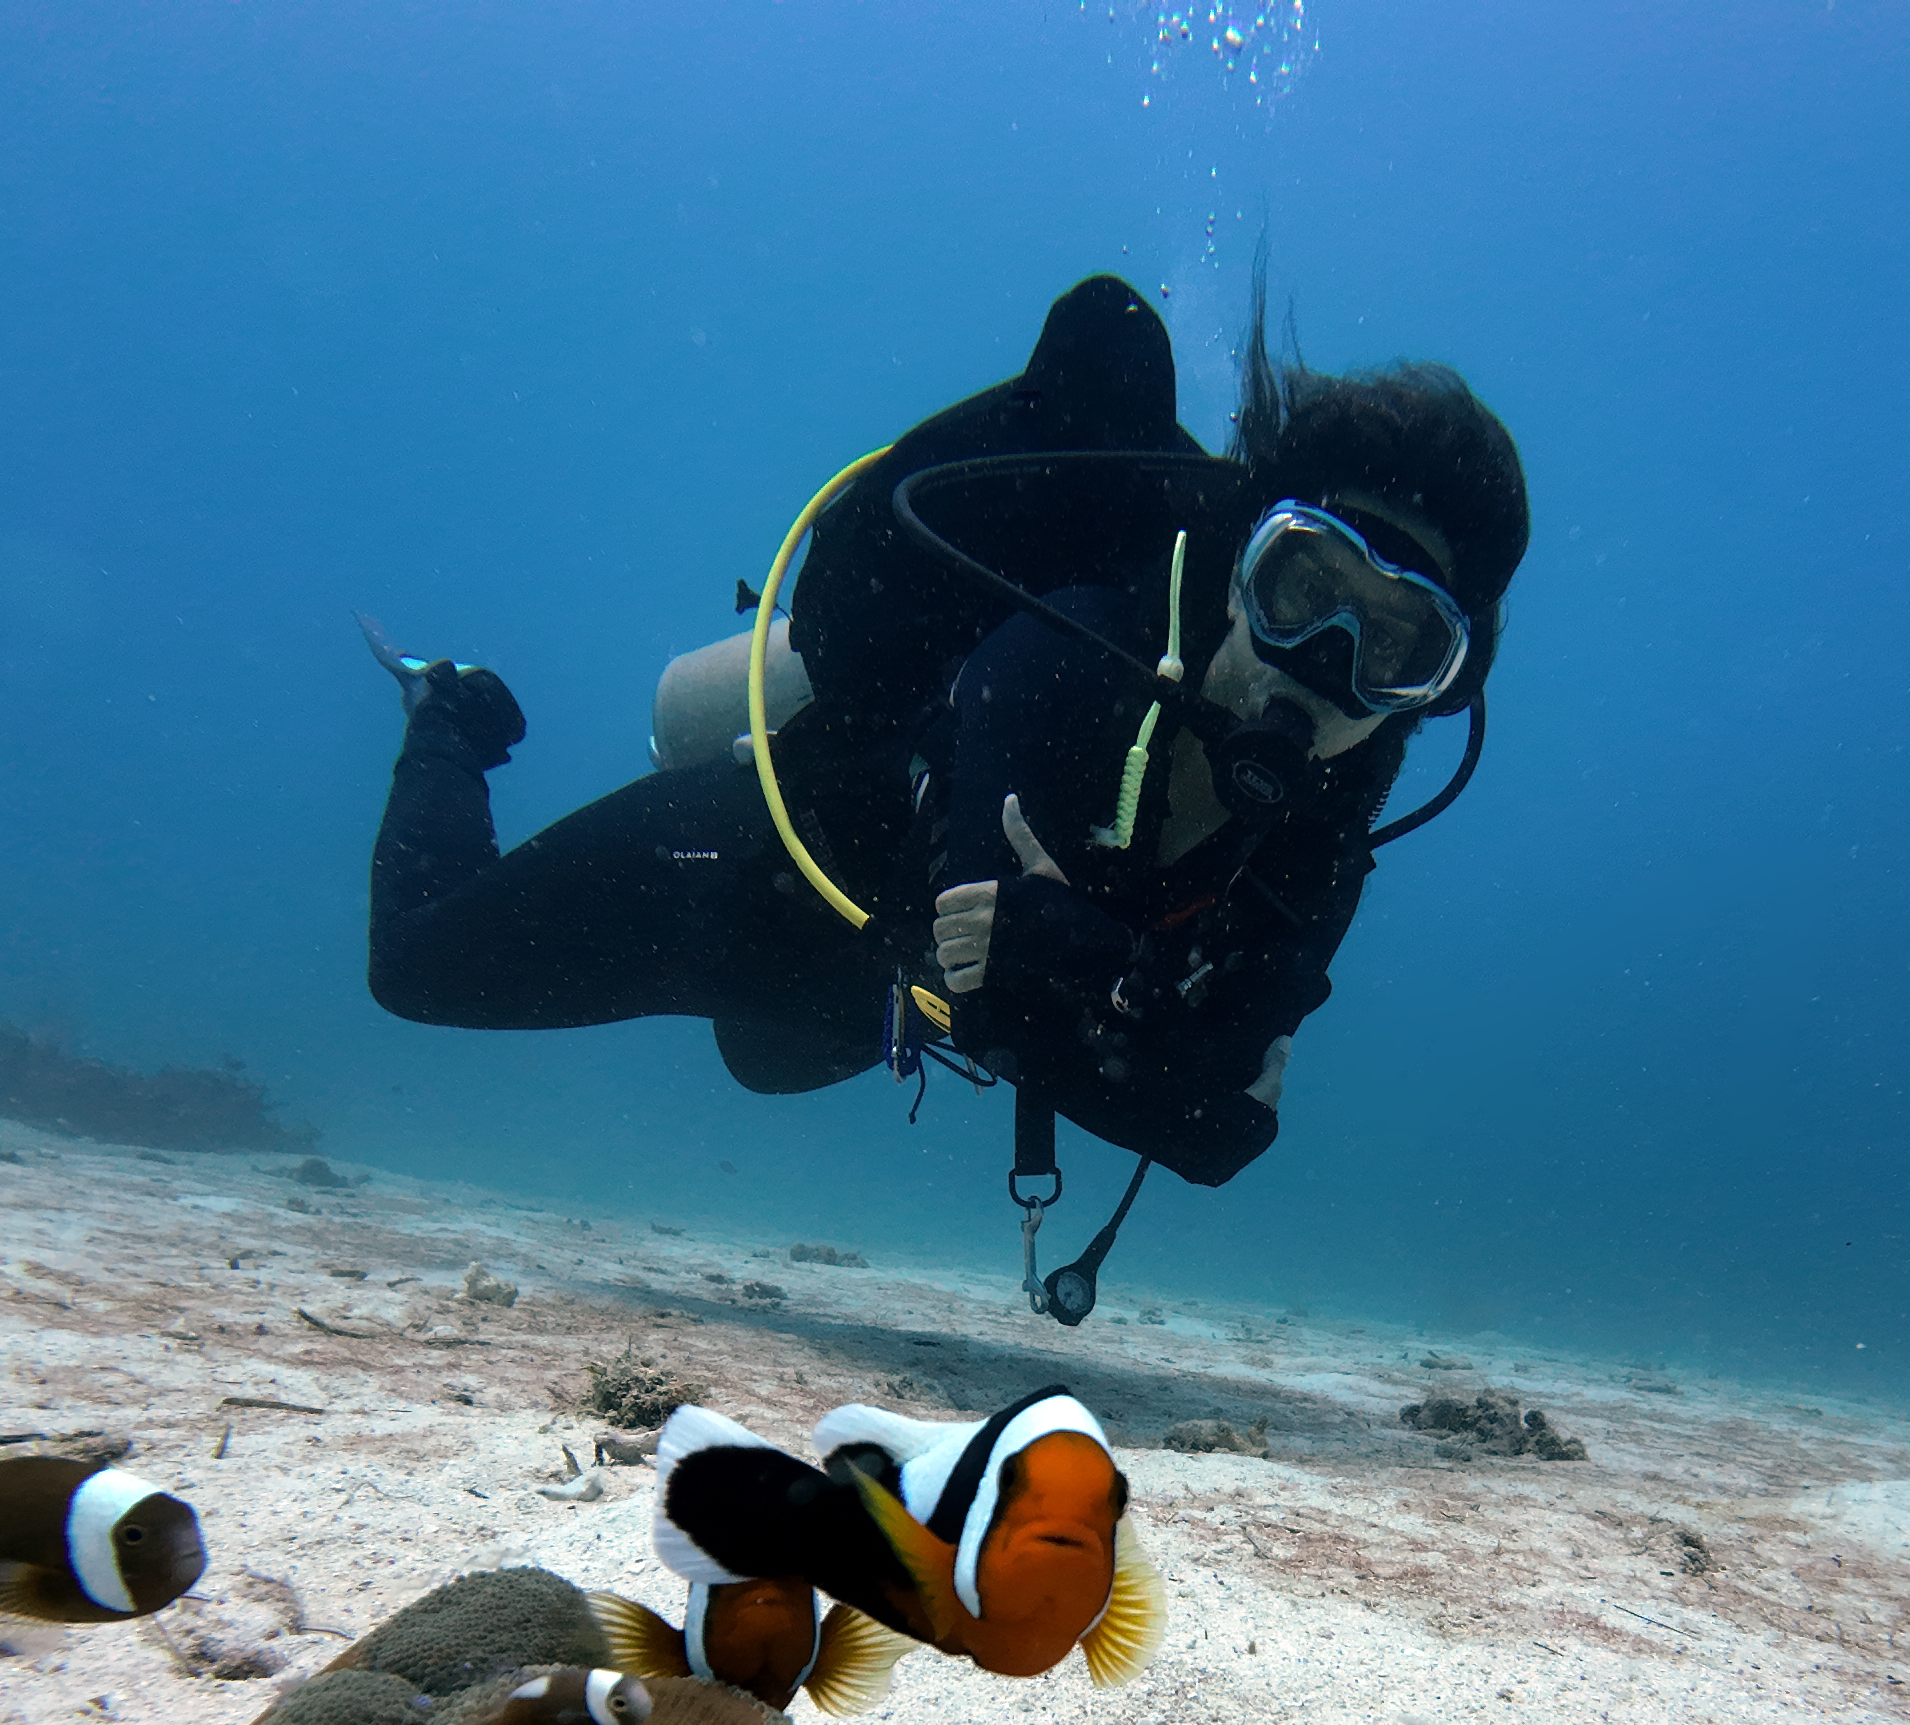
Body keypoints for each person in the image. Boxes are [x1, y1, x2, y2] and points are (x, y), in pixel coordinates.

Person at [365, 270, 1528, 1238]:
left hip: (864, 998)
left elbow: (1216, 1136)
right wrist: (1133, 1025)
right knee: (415, 967)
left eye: (1395, 643)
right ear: (1237, 570)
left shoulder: (1322, 835)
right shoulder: (1072, 646)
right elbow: (1047, 1016)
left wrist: (1080, 974)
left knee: (762, 1067)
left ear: (1432, 689)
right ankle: (448, 714)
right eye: (1304, 587)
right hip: (757, 873)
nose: (1319, 662)